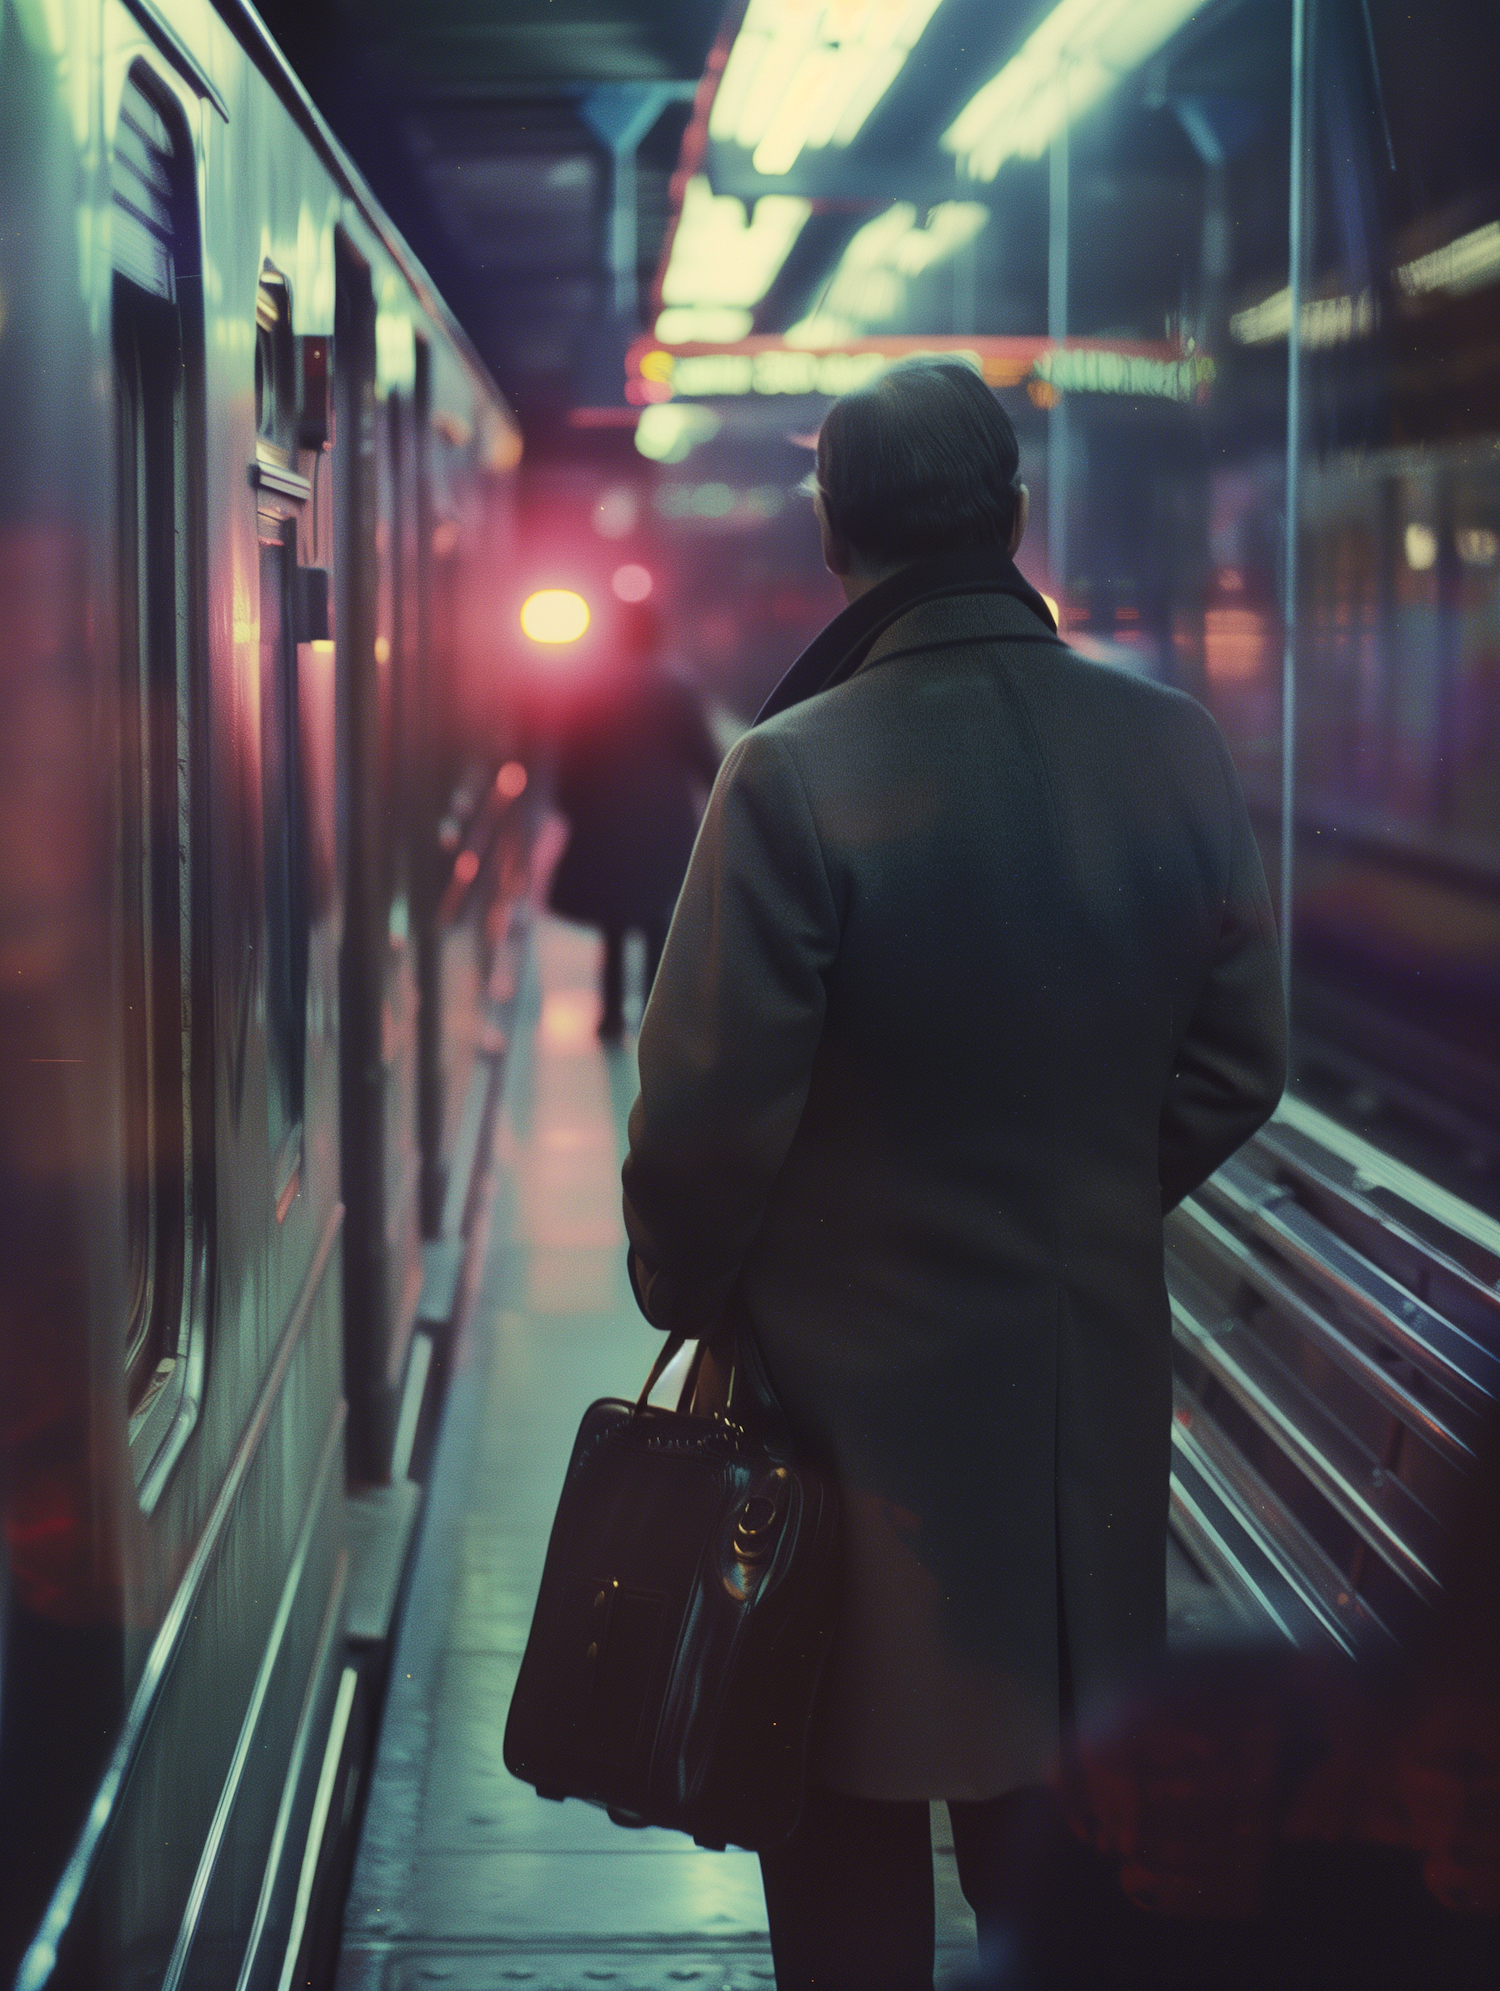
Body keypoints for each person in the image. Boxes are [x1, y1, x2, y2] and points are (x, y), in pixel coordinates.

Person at [619, 358, 1288, 1988]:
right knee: (1063, 1836)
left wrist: (704, 1290)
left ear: (834, 533)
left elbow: (707, 1126)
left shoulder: (792, 771)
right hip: (1083, 1419)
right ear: (1011, 520)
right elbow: (1238, 1059)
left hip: (845, 1442)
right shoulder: (1172, 744)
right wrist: (1081, 1214)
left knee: (839, 1820)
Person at [548, 598, 721, 1041]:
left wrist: (570, 804)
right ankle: (651, 1017)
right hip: (664, 820)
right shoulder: (678, 685)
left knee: (613, 918)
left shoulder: (593, 684)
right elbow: (705, 756)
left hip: (606, 819)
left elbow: (572, 757)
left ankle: (609, 1015)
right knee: (658, 919)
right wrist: (721, 803)